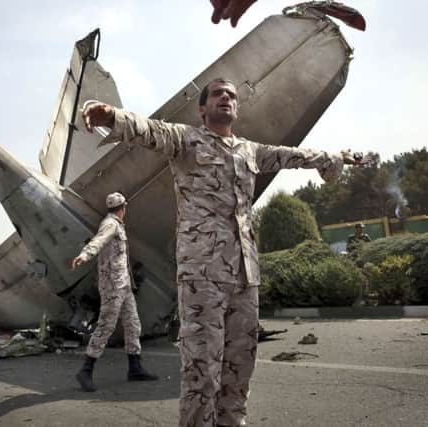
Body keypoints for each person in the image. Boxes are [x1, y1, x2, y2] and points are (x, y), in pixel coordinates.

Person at [82, 78, 367, 426]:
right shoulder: (186, 140)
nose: (225, 98)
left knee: (240, 367)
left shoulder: (248, 150)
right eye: (217, 94)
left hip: (245, 276)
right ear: (202, 108)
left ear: (236, 108)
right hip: (203, 274)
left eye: (231, 95)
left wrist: (335, 157)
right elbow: (149, 130)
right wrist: (110, 115)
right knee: (202, 370)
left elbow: (290, 154)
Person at [71, 192, 158, 392]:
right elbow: (99, 240)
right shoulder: (110, 224)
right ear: (123, 208)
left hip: (124, 285)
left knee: (133, 325)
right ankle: (85, 371)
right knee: (105, 327)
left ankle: (135, 368)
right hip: (112, 286)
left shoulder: (117, 224)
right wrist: (85, 254)